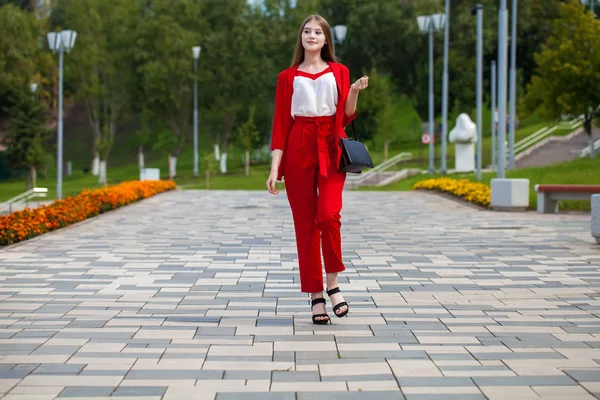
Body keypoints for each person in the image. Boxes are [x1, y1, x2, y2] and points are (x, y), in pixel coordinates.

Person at [266, 14, 368, 325]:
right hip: (298, 148)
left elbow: (347, 116)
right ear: (301, 38)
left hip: (330, 145)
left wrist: (354, 91)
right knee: (306, 226)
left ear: (326, 40)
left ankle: (333, 283)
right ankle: (316, 295)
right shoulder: (287, 77)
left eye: (318, 32)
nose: (312, 36)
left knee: (328, 215)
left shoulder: (339, 71)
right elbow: (281, 125)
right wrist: (274, 169)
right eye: (307, 31)